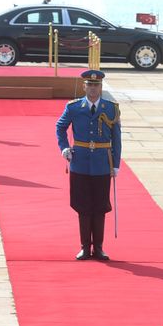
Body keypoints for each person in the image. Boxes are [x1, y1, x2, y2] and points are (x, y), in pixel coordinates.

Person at [56, 69, 121, 261]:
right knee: (83, 206)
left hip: (102, 163)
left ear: (101, 87)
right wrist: (64, 148)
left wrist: (115, 164)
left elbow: (116, 138)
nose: (93, 89)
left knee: (100, 206)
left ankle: (99, 248)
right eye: (90, 85)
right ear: (84, 86)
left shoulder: (111, 108)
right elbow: (60, 127)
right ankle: (85, 247)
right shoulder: (74, 107)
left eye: (96, 85)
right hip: (80, 163)